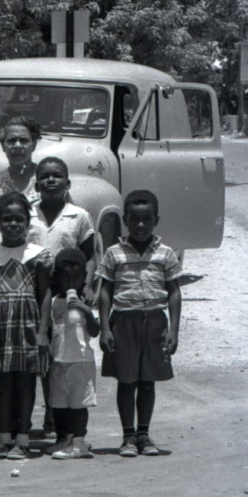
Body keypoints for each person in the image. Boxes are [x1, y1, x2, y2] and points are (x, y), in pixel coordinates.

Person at [97, 188, 182, 457]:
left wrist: (174, 330)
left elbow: (174, 292)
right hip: (124, 322)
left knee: (147, 381)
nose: (141, 225)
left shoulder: (167, 254)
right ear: (125, 220)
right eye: (134, 219)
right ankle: (128, 437)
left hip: (155, 322)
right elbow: (105, 291)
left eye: (147, 219)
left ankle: (144, 434)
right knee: (127, 380)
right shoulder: (113, 253)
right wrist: (105, 328)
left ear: (156, 220)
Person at [0, 191, 49, 458]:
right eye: (6, 219)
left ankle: (23, 438)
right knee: (2, 384)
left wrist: (43, 332)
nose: (13, 224)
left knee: (26, 384)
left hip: (28, 327)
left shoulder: (38, 254)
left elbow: (44, 295)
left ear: (28, 222)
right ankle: (4, 436)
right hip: (0, 327)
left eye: (19, 219)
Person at [45, 248, 100, 460]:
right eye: (64, 277)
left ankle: (79, 442)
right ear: (56, 277)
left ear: (83, 278)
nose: (70, 283)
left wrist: (86, 311)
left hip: (80, 361)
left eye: (75, 278)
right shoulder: (52, 302)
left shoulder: (85, 301)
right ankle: (63, 439)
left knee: (78, 405)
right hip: (58, 360)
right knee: (58, 404)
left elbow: (94, 331)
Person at [31, 156, 98, 271]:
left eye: (57, 175)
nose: (51, 179)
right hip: (31, 284)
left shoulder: (79, 216)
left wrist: (86, 287)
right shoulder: (28, 214)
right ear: (37, 186)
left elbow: (89, 258)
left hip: (67, 283)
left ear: (67, 184)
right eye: (44, 176)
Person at [0, 114, 43, 202]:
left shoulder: (47, 179)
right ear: (2, 146)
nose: (17, 146)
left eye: (24, 140)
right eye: (12, 140)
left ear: (34, 145)